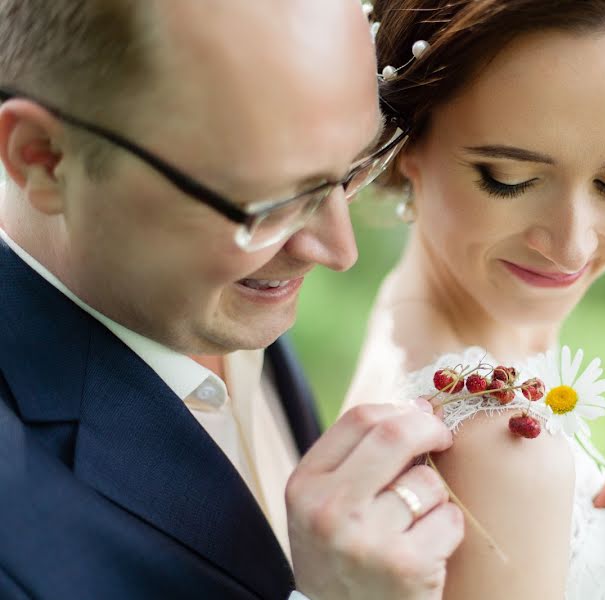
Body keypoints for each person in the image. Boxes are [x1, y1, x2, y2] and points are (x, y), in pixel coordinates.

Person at [0, 1, 462, 599]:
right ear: (44, 158)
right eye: (267, 203)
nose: (336, 249)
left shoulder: (192, 287)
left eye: (352, 168)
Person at [345, 0, 605, 598]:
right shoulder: (493, 439)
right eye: (508, 179)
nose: (571, 246)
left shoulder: (407, 313)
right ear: (405, 135)